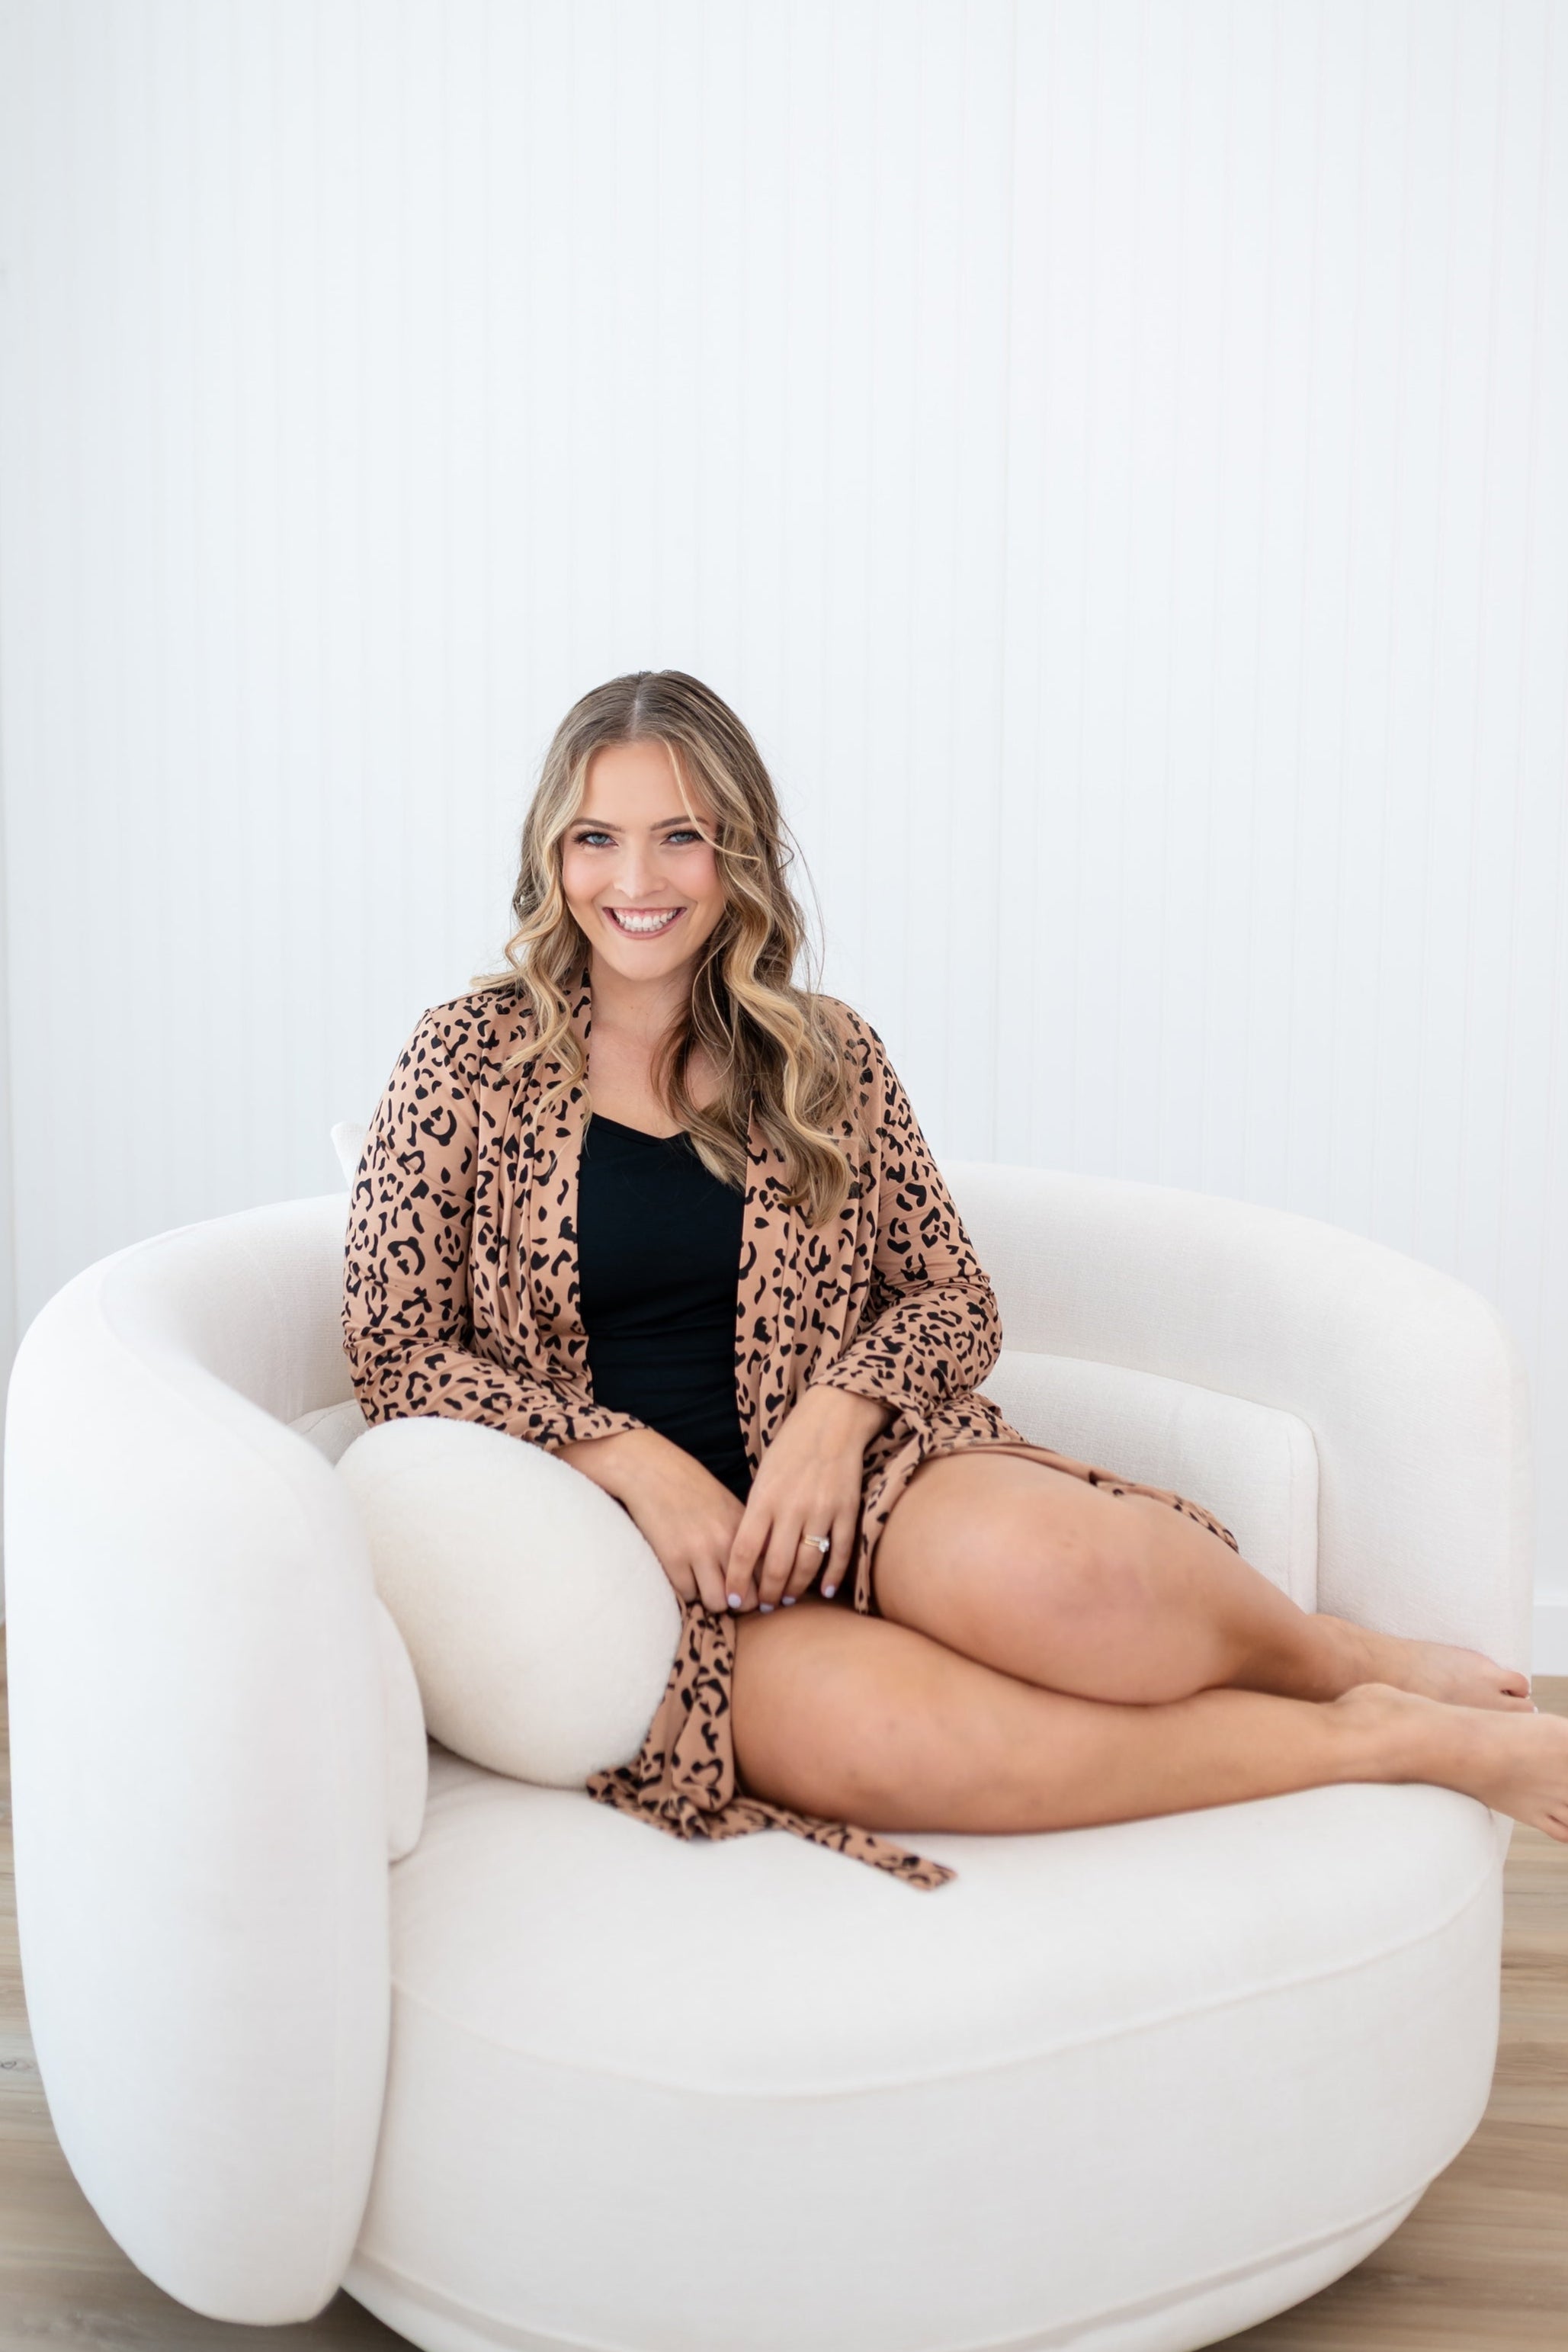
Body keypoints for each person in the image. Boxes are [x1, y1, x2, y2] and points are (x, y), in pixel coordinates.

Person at [341, 669, 1568, 1891]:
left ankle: (1331, 1657)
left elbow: (953, 1297)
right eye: (596, 838)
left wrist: (835, 1418)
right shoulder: (466, 1058)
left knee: (1080, 1584)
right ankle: (1388, 1739)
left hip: (876, 1483)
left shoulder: (822, 1054)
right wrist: (632, 1460)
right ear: (552, 854)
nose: (636, 879)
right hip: (656, 1573)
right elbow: (396, 1350)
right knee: (905, 1743)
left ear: (737, 852)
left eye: (680, 836)